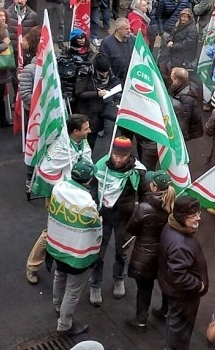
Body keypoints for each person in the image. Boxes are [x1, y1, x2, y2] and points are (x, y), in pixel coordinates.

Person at [26, 114, 93, 283]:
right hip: (58, 196)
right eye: (86, 129)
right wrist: (63, 188)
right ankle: (32, 266)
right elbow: (46, 171)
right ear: (75, 131)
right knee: (51, 232)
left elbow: (87, 161)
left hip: (76, 196)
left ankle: (65, 262)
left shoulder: (82, 143)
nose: (90, 131)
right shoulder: (60, 148)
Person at [88, 136, 146, 307]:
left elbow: (144, 194)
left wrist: (141, 214)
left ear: (129, 155)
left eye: (122, 156)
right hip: (103, 215)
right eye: (115, 155)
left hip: (125, 217)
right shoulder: (101, 166)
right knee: (98, 253)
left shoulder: (137, 171)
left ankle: (119, 278)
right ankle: (95, 284)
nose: (118, 160)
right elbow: (92, 187)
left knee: (122, 252)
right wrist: (94, 206)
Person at [48, 161, 100, 337]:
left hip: (58, 245)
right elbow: (95, 224)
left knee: (59, 275)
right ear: (88, 180)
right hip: (77, 252)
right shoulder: (86, 202)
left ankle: (57, 306)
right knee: (73, 291)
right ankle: (64, 325)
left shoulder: (59, 188)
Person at [125, 170, 175, 332]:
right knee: (166, 285)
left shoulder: (144, 208)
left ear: (154, 187)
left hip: (145, 257)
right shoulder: (174, 207)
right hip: (166, 256)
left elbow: (131, 228)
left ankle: (141, 321)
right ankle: (165, 312)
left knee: (144, 290)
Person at [159, 196, 209, 350]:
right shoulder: (180, 244)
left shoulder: (171, 226)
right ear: (182, 217)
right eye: (193, 215)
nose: (198, 218)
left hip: (172, 290)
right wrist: (199, 285)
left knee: (175, 323)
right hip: (184, 296)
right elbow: (178, 275)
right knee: (180, 330)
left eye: (198, 213)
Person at [73, 54, 120, 151]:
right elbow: (79, 93)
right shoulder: (85, 74)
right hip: (86, 112)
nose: (105, 75)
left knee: (92, 142)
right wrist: (97, 94)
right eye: (102, 73)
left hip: (100, 113)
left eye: (106, 73)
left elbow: (115, 83)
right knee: (82, 141)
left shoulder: (110, 74)